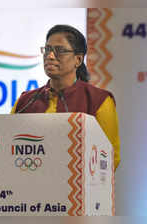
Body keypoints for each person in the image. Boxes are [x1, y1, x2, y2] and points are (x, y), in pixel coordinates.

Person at [11, 25, 120, 171]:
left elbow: (111, 157)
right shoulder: (24, 102)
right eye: (47, 49)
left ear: (78, 59)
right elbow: (8, 146)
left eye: (60, 51)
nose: (50, 56)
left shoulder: (98, 101)